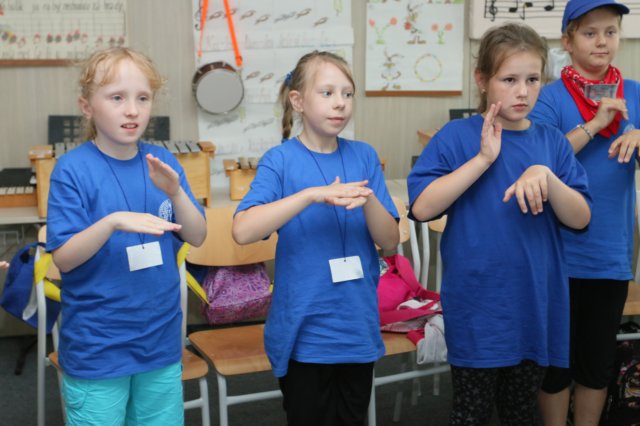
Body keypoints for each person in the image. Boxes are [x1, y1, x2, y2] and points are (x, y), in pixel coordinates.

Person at [408, 23, 592, 425]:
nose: (522, 92)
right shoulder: (456, 137)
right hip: (478, 305)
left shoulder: (552, 142)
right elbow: (421, 208)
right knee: (471, 413)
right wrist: (482, 160)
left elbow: (580, 218)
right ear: (482, 79)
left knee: (520, 412)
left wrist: (546, 176)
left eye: (532, 80)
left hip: (533, 303)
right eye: (509, 80)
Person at [232, 50, 400, 426]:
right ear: (298, 101)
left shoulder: (364, 156)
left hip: (356, 326)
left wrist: (368, 198)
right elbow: (242, 230)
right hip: (304, 331)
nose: (340, 102)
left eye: (347, 93)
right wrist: (310, 195)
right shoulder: (280, 160)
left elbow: (389, 241)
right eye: (327, 93)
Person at [46, 47, 206, 425]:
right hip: (98, 348)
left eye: (142, 98)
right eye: (117, 98)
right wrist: (111, 222)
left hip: (160, 342)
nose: (132, 110)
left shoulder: (162, 164)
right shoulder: (72, 170)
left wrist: (176, 193)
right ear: (87, 107)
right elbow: (64, 258)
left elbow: (198, 236)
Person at [529, 0, 638, 424]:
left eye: (610, 32)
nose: (602, 41)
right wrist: (594, 124)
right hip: (556, 253)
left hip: (610, 253)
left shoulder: (635, 93)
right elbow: (540, 163)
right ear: (568, 40)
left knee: (597, 363)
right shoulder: (548, 97)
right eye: (590, 33)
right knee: (555, 365)